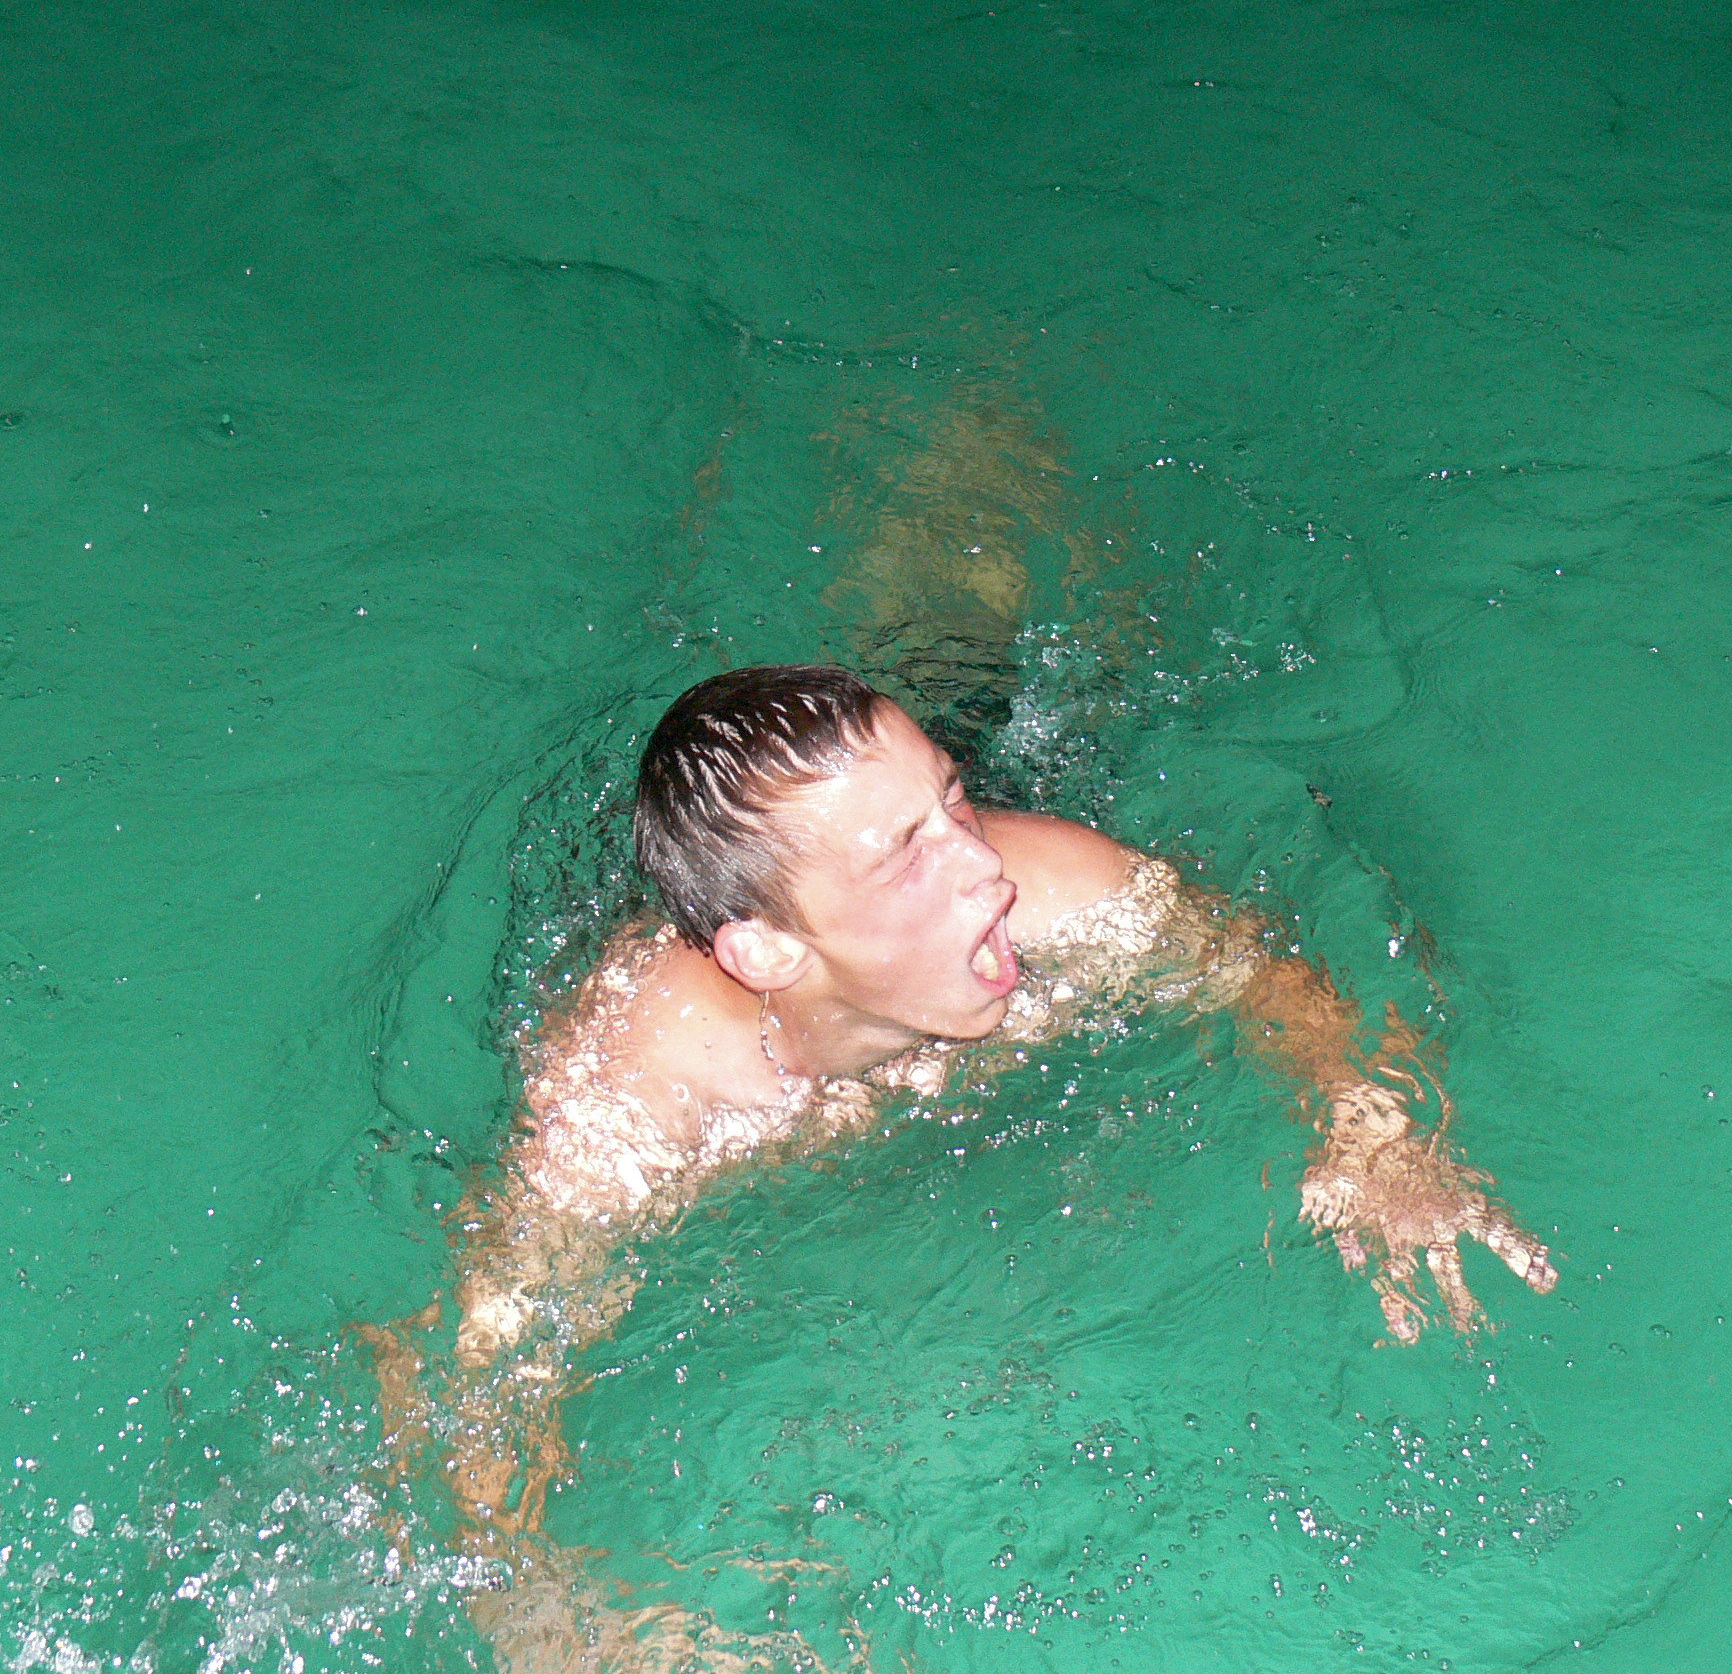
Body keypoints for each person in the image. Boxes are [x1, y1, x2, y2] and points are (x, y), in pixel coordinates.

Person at [375, 664, 1556, 1667]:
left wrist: (1377, 1135)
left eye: (953, 800)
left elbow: (1266, 974)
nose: (984, 866)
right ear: (768, 949)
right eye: (906, 855)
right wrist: (548, 1611)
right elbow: (474, 1353)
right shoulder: (641, 1089)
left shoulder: (1066, 890)